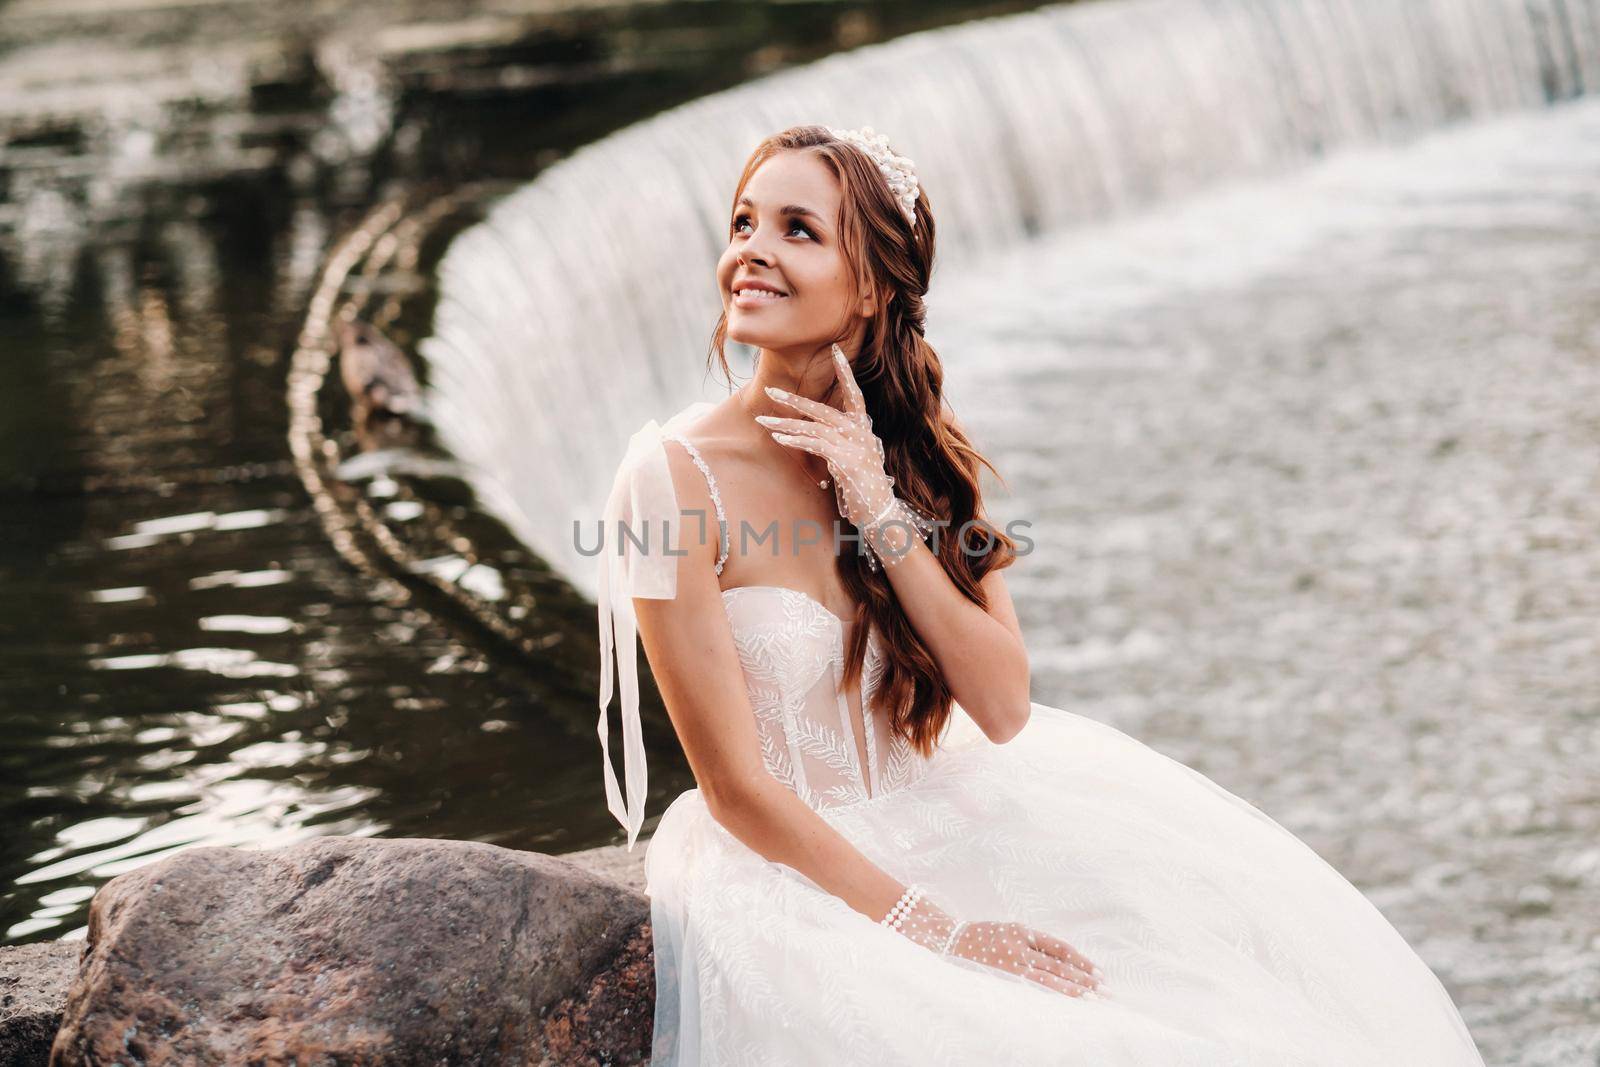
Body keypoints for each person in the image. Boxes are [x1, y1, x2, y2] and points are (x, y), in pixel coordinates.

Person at [594, 124, 1485, 1065]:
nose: (752, 252)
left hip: (953, 819)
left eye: (797, 230)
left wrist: (877, 505)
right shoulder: (669, 479)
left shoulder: (919, 454)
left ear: (870, 289)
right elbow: (737, 788)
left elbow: (1003, 703)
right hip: (799, 880)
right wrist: (934, 928)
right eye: (744, 222)